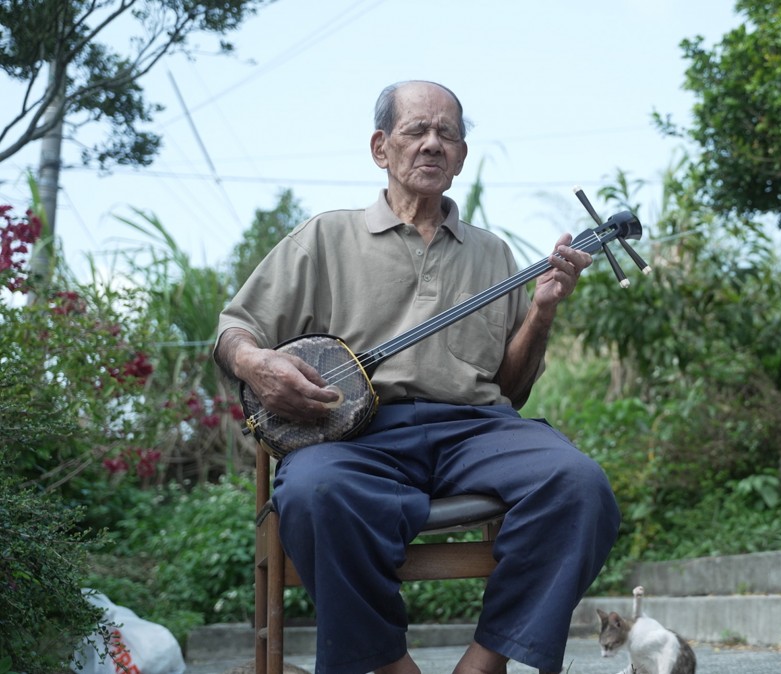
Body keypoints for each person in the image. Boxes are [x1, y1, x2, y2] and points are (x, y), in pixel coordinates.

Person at [214, 80, 621, 674]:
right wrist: (257, 363)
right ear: (381, 148)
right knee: (311, 492)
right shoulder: (327, 236)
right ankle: (389, 665)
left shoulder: (494, 254)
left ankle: (484, 661)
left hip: (475, 429)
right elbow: (234, 329)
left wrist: (542, 310)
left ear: (460, 157)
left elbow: (511, 389)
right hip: (356, 436)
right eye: (416, 131)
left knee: (579, 485)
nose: (432, 144)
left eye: (447, 134)